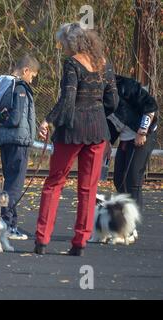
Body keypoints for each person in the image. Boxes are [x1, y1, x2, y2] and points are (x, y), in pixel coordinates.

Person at [34, 23, 118, 256]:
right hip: (98, 131)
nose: (62, 48)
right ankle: (80, 241)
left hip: (72, 131)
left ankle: (42, 239)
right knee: (88, 189)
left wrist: (48, 120)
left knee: (54, 183)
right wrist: (97, 113)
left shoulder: (72, 63)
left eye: (62, 44)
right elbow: (113, 101)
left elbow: (67, 99)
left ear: (71, 43)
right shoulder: (104, 65)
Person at [0, 55, 40, 241]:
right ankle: (6, 225)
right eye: (32, 75)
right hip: (18, 141)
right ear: (25, 71)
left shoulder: (3, 84)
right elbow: (16, 119)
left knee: (9, 183)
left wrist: (1, 119)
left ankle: (10, 223)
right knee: (15, 186)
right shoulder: (21, 88)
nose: (32, 80)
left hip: (4, 141)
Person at [107, 74, 158, 211]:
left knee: (133, 180)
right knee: (119, 179)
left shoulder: (125, 85)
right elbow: (111, 124)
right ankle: (124, 215)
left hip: (143, 134)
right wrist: (107, 143)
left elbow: (151, 106)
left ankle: (132, 224)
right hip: (125, 137)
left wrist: (142, 131)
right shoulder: (97, 96)